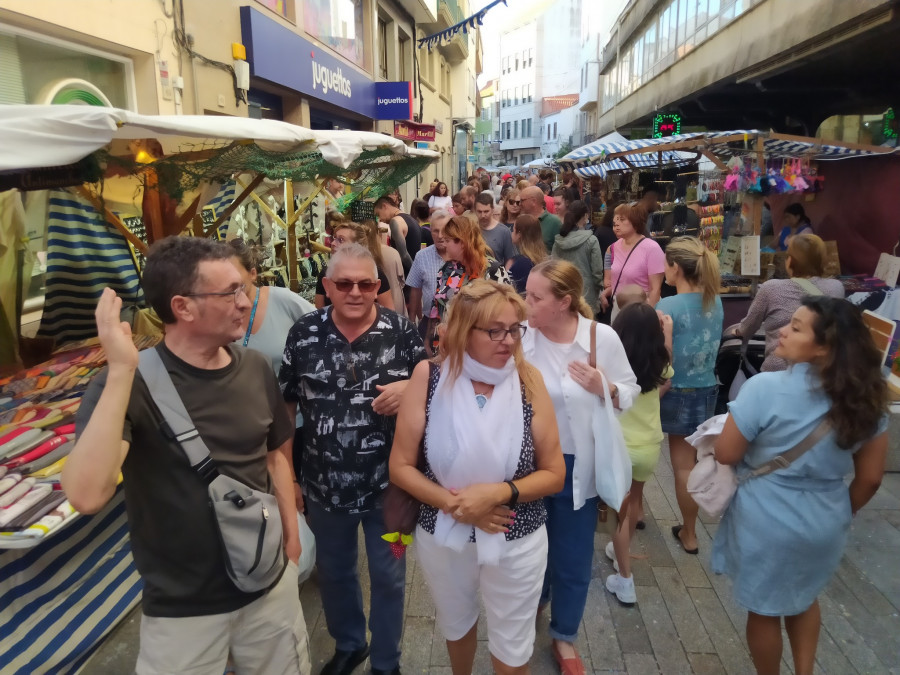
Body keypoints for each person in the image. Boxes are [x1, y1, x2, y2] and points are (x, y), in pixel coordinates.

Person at [63, 236, 310, 675]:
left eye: (244, 287)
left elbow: (274, 459)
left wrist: (291, 545)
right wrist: (120, 370)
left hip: (269, 589)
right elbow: (86, 494)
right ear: (184, 307)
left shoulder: (254, 367)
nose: (244, 301)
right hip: (183, 610)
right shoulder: (126, 385)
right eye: (230, 291)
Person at [390, 280, 565, 675]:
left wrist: (498, 493)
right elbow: (399, 466)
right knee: (456, 623)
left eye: (515, 328)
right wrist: (459, 506)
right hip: (444, 532)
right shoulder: (429, 377)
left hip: (516, 534)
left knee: (514, 641)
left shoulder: (529, 380)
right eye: (494, 330)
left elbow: (554, 473)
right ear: (464, 330)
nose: (508, 340)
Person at [712, 297, 888, 675]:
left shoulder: (765, 388)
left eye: (795, 327)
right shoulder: (867, 397)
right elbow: (871, 477)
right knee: (805, 597)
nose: (781, 331)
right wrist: (844, 507)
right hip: (826, 513)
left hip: (766, 514)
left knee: (764, 609)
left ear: (823, 345)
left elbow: (726, 453)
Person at [280, 243, 425, 675]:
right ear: (327, 286)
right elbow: (286, 409)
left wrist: (411, 390)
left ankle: (386, 661)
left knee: (389, 577)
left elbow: (436, 386)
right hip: (324, 487)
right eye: (344, 283)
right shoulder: (304, 333)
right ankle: (349, 644)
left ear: (378, 286)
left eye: (366, 283)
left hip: (392, 488)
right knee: (335, 572)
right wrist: (287, 477)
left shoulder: (401, 332)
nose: (356, 292)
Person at [522, 260, 639, 675]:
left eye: (535, 297)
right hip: (528, 466)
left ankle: (564, 635)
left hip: (578, 466)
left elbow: (631, 390)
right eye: (526, 293)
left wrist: (604, 386)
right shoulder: (520, 337)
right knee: (526, 552)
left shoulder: (598, 337)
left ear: (563, 302)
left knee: (572, 556)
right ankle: (531, 609)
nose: (526, 303)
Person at [656, 236, 723, 555]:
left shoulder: (667, 306)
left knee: (681, 464)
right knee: (693, 461)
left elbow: (659, 355)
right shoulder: (716, 300)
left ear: (677, 268)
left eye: (666, 264)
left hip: (676, 389)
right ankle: (689, 530)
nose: (663, 270)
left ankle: (690, 533)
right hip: (707, 388)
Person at [604, 302, 673, 606]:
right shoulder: (660, 364)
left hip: (620, 446)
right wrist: (667, 334)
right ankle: (620, 554)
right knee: (633, 505)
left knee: (620, 512)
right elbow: (664, 384)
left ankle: (625, 579)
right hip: (649, 446)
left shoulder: (613, 365)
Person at [734, 233, 843, 371]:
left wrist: (738, 331)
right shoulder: (836, 288)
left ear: (790, 260)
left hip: (778, 370)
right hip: (819, 370)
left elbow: (749, 326)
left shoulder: (771, 288)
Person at [425, 215, 513, 356]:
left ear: (462, 242)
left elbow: (508, 311)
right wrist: (430, 338)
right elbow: (436, 306)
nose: (444, 244)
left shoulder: (492, 270)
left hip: (480, 350)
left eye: (448, 240)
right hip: (447, 348)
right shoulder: (447, 269)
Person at [228, 239, 315, 373]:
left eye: (232, 273)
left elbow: (323, 328)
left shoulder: (282, 299)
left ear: (252, 274)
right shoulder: (218, 312)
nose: (227, 281)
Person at [599, 202, 665, 318]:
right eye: (615, 222)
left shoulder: (651, 248)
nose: (616, 224)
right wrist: (607, 292)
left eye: (622, 220)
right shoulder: (614, 247)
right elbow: (618, 280)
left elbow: (655, 289)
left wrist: (650, 315)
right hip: (618, 308)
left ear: (635, 222)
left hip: (640, 309)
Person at [314, 220, 394, 312]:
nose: (333, 244)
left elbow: (389, 313)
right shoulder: (325, 274)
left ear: (356, 245)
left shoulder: (374, 274)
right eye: (334, 238)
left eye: (340, 240)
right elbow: (319, 313)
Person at [551, 200, 605, 314]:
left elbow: (553, 268)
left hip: (564, 294)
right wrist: (598, 290)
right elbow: (597, 272)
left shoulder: (559, 241)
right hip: (587, 295)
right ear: (585, 216)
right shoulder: (591, 240)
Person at [407, 210, 451, 326]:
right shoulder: (422, 256)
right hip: (429, 321)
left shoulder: (462, 255)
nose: (440, 236)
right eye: (436, 231)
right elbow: (415, 290)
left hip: (455, 323)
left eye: (445, 230)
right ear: (430, 232)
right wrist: (412, 321)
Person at [374, 195, 421, 274]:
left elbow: (404, 255)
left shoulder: (395, 222)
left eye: (378, 214)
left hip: (407, 276)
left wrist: (415, 274)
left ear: (384, 206)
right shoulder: (411, 219)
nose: (380, 219)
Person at [507, 214, 547, 295]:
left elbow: (511, 292)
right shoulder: (544, 260)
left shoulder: (522, 263)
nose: (512, 232)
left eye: (513, 230)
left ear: (519, 234)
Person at [475, 193, 516, 266]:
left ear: (492, 209)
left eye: (486, 211)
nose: (483, 215)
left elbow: (509, 260)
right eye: (479, 212)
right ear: (475, 211)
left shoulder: (504, 232)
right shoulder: (471, 229)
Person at [520, 185, 561, 254]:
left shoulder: (555, 222)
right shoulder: (521, 221)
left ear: (533, 201)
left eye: (522, 200)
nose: (519, 204)